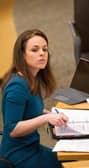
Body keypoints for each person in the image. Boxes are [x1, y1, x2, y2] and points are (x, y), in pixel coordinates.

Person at [0, 29, 68, 168]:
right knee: (69, 164)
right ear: (22, 55)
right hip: (18, 156)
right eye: (34, 50)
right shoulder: (17, 87)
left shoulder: (31, 78)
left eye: (45, 49)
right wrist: (45, 119)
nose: (42, 53)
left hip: (32, 147)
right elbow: (12, 129)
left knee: (69, 158)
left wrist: (48, 114)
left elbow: (28, 108)